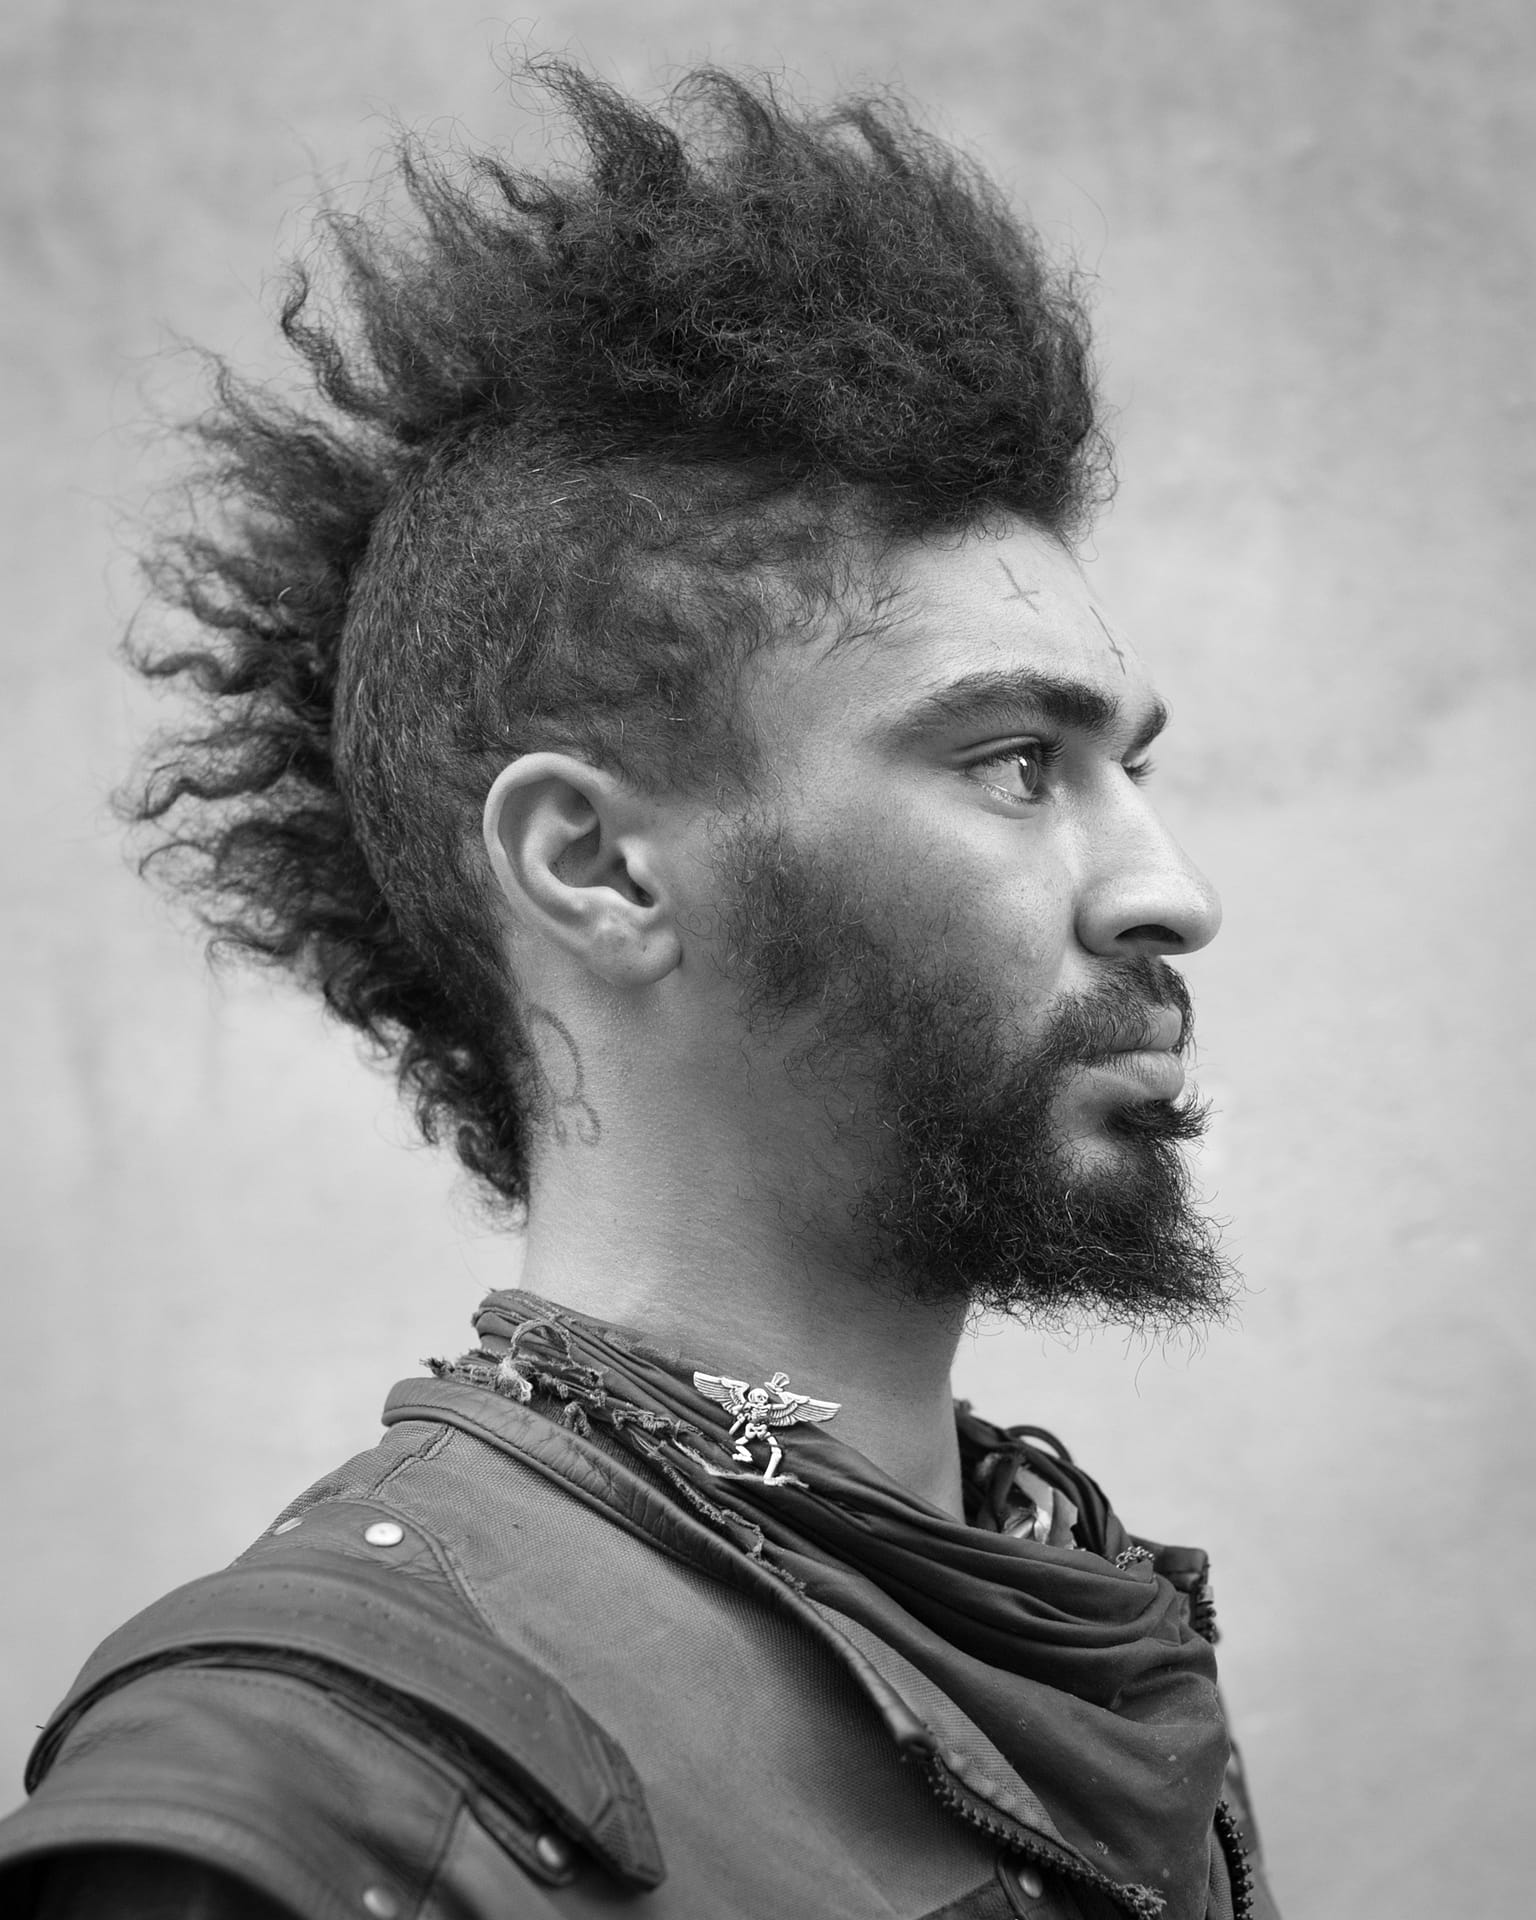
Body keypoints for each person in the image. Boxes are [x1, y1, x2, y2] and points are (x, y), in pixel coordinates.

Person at [0, 61, 1280, 1920]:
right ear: (596, 868)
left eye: (1130, 769)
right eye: (1016, 763)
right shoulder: (304, 1801)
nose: (1172, 894)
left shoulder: (1059, 1618)